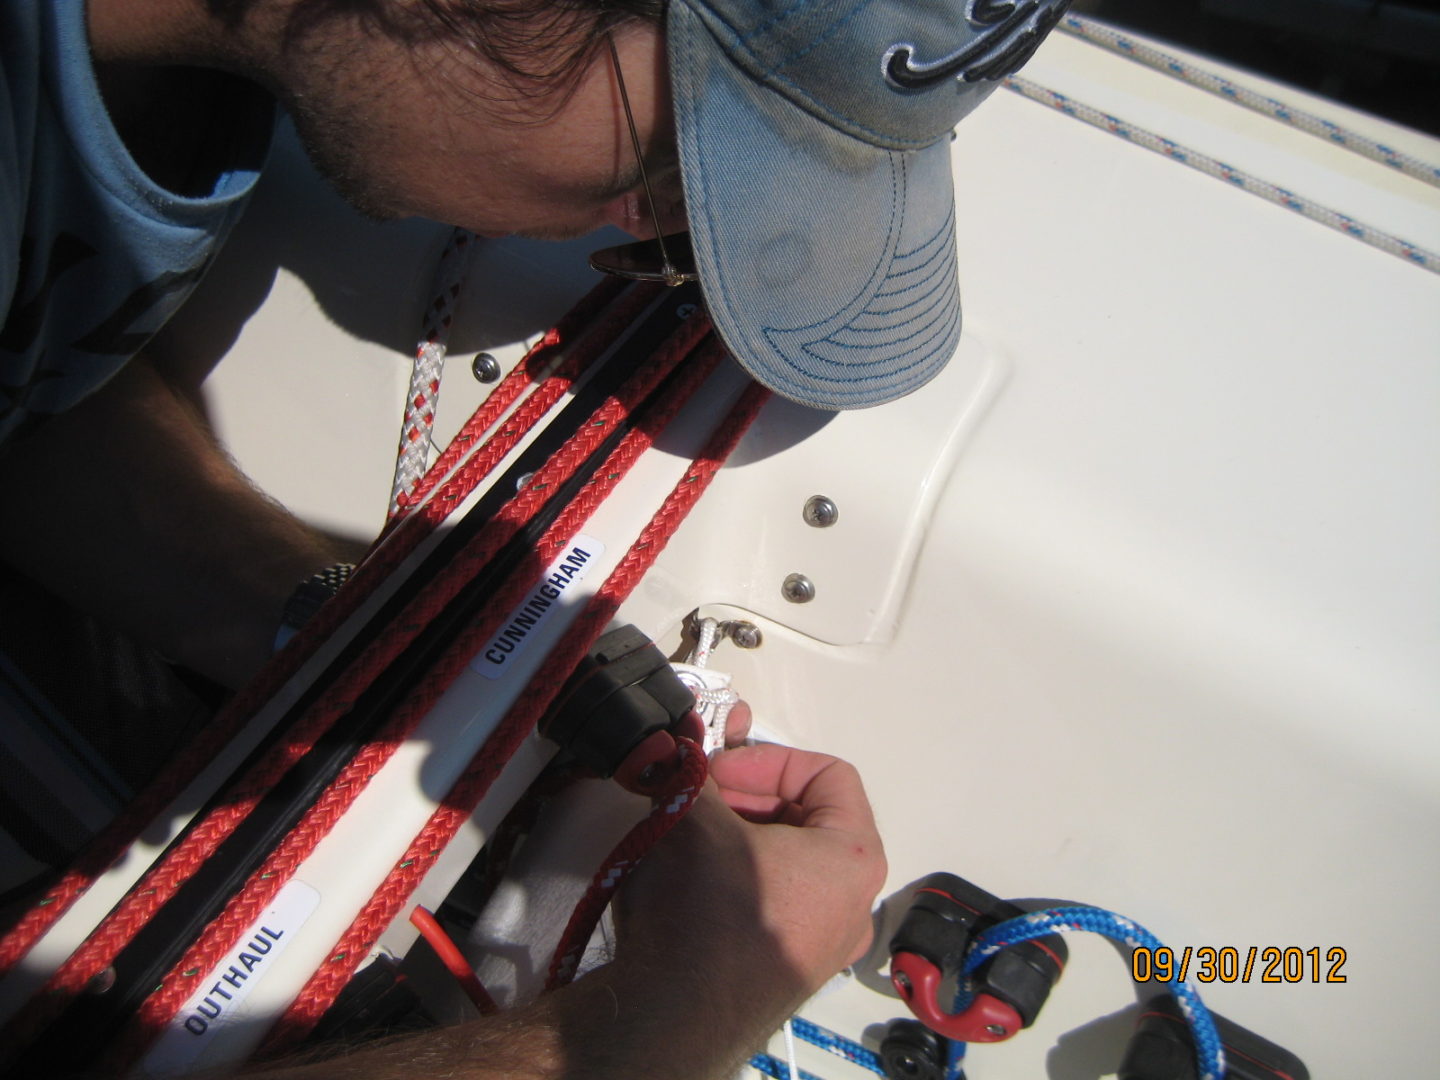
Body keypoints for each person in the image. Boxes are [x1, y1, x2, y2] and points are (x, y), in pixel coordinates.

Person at [1, 0, 1069, 1073]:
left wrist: (372, 647)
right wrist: (680, 1013)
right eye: (670, 176)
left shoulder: (187, 93)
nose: (646, 230)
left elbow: (34, 409)